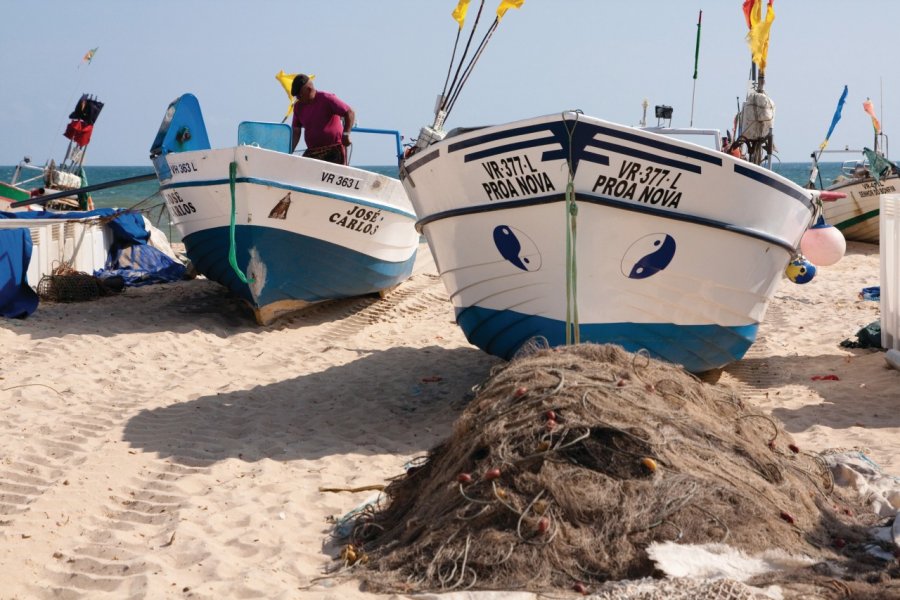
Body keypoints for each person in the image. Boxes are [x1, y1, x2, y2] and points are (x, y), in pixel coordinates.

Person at [290, 74, 356, 165]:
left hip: (334, 149)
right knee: (302, 169)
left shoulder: (327, 98)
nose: (298, 98)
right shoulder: (298, 107)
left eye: (299, 95)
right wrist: (289, 150)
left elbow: (349, 112)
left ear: (309, 89)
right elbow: (296, 132)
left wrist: (346, 134)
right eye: (296, 96)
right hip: (313, 151)